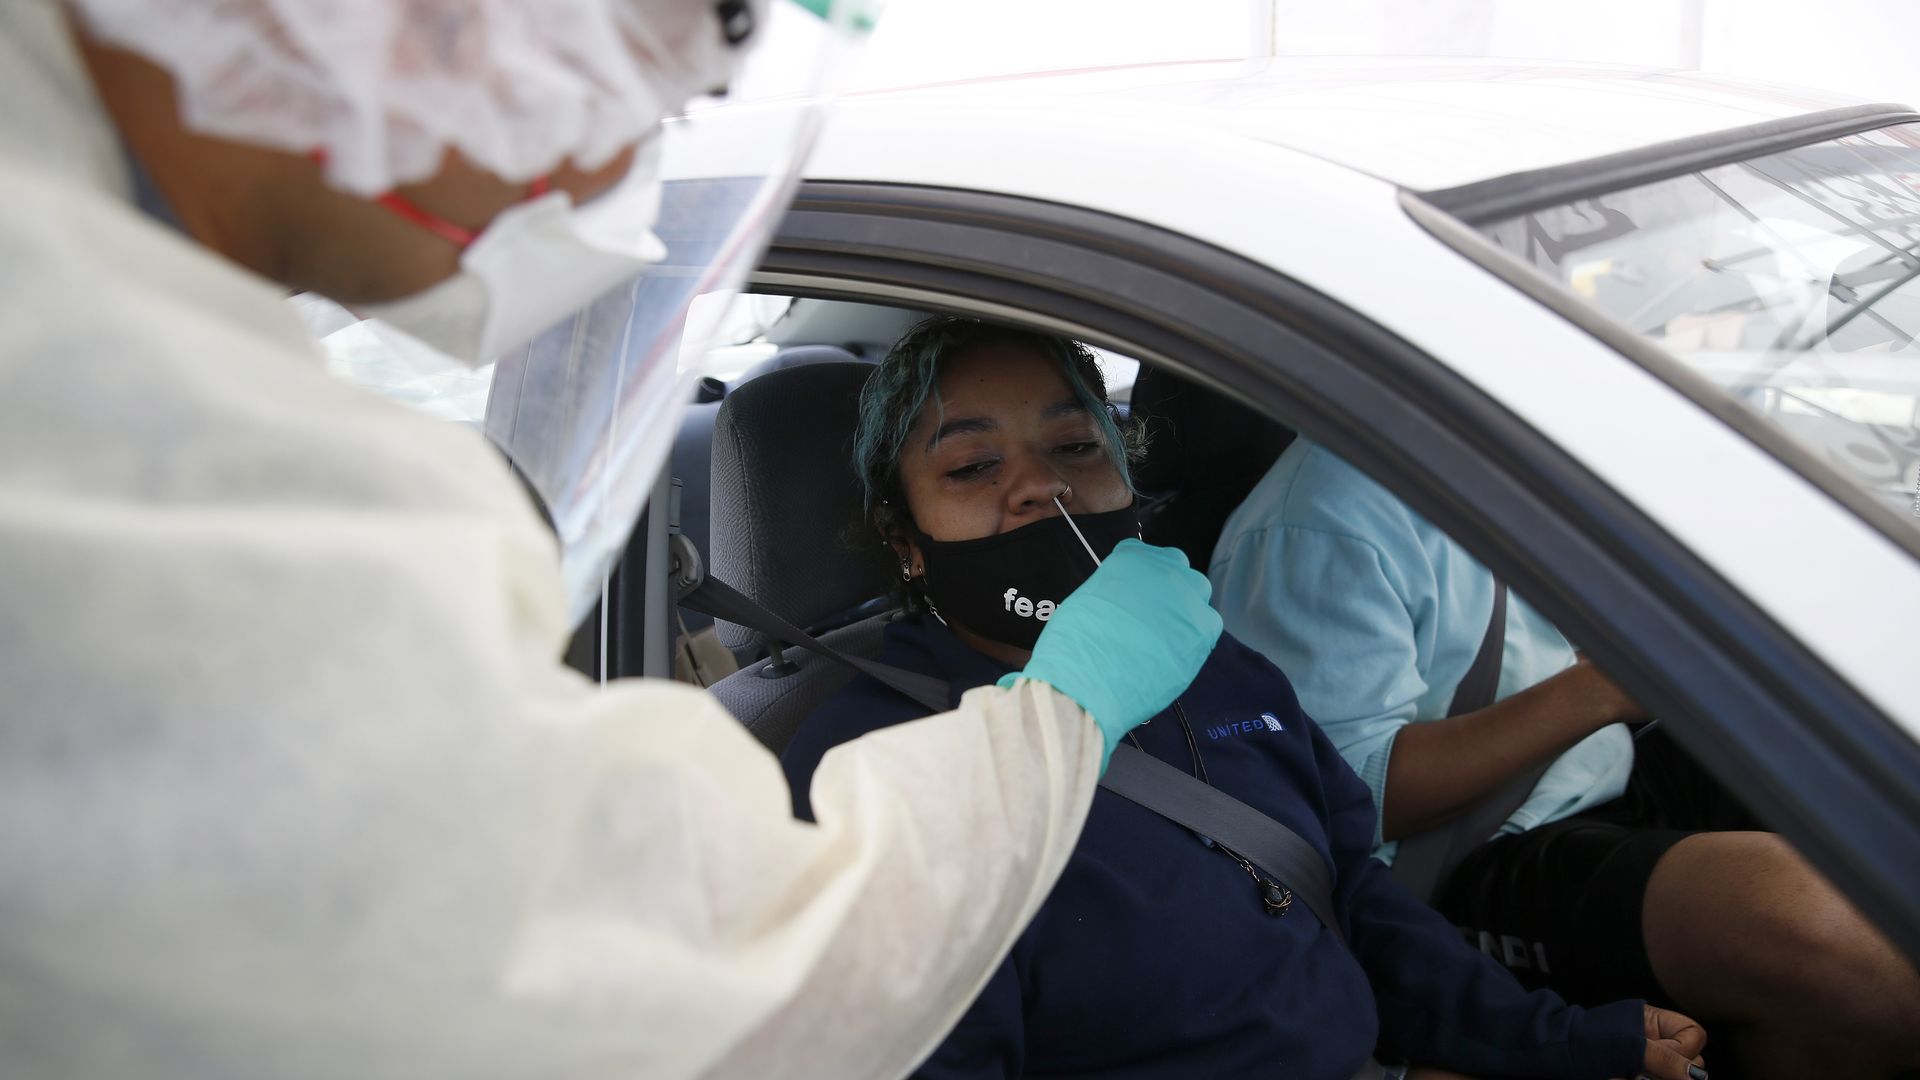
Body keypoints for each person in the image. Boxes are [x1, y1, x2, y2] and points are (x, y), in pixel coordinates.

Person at [0, 4, 1227, 1077]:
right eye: (663, 31)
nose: (617, 153)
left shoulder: (117, 322)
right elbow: (724, 990)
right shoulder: (113, 438)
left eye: (1077, 445)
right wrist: (1063, 707)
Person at [781, 315, 1711, 1080]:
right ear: (904, 540)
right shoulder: (863, 767)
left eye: (1073, 444)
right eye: (972, 467)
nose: (1041, 486)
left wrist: (1548, 1040)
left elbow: (1355, 894)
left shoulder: (1214, 662)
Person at [1210, 437, 1920, 1080]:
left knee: (1881, 812)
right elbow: (1339, 800)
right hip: (1459, 857)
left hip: (1598, 763)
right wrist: (1601, 688)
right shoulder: (1321, 520)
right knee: (1830, 940)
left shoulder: (1498, 453)